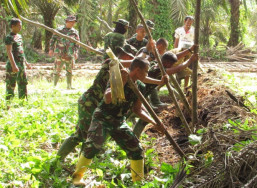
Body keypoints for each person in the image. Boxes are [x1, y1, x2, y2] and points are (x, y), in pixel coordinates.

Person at [72, 57, 161, 186]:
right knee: (92, 146)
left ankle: (138, 182)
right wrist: (123, 82)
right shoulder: (117, 77)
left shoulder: (140, 86)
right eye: (146, 71)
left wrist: (154, 122)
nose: (147, 75)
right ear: (137, 70)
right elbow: (107, 98)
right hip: (102, 118)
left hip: (119, 122)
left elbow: (137, 110)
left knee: (136, 149)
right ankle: (77, 178)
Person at [133, 51, 199, 138]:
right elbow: (178, 68)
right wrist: (190, 60)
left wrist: (189, 50)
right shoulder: (160, 69)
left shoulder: (156, 63)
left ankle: (135, 135)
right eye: (171, 64)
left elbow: (176, 57)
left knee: (143, 116)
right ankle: (134, 136)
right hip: (137, 95)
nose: (172, 66)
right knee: (141, 115)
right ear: (167, 63)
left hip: (141, 94)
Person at [49, 15, 79, 89]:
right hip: (60, 53)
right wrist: (51, 49)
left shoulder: (75, 32)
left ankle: (69, 86)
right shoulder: (59, 30)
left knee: (69, 70)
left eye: (74, 22)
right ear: (66, 22)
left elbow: (77, 44)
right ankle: (55, 86)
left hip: (70, 54)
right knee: (57, 70)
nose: (72, 23)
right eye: (71, 22)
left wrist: (76, 52)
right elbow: (52, 40)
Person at [5, 18, 31, 102]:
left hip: (21, 63)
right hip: (13, 64)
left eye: (21, 26)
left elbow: (21, 51)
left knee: (23, 82)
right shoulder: (9, 37)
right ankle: (9, 102)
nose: (20, 27)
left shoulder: (19, 37)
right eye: (19, 26)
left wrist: (26, 63)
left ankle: (22, 101)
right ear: (13, 26)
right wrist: (13, 65)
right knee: (11, 84)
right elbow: (9, 51)